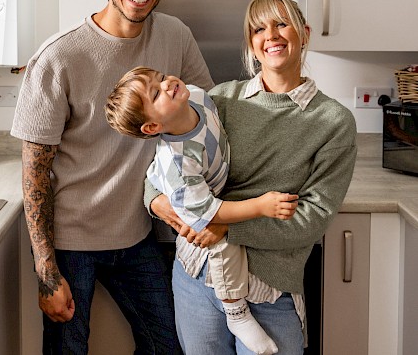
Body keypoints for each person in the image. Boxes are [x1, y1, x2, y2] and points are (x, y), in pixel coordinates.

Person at [10, 0, 214, 354]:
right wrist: (47, 270)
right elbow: (34, 173)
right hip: (70, 242)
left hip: (140, 234)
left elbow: (204, 116)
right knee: (68, 350)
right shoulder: (59, 57)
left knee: (169, 346)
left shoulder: (175, 36)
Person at [146, 0, 358, 354]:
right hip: (197, 275)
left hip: (270, 289)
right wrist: (155, 201)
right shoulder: (221, 99)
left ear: (304, 33)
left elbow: (311, 219)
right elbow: (168, 163)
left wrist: (227, 224)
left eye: (281, 23)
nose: (271, 35)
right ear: (252, 45)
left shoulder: (333, 121)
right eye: (259, 28)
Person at [105, 66, 300, 355]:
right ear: (152, 127)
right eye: (156, 93)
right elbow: (210, 214)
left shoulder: (197, 96)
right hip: (190, 199)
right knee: (218, 242)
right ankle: (236, 313)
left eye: (161, 77)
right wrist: (261, 206)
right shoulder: (180, 166)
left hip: (205, 188)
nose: (167, 83)